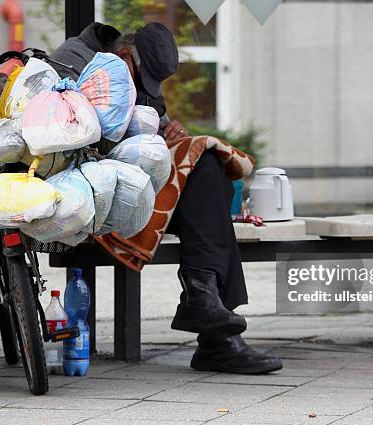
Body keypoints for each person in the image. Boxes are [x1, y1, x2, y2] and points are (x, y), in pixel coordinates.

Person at [52, 22, 282, 375]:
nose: (145, 92)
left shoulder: (135, 72)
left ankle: (204, 300)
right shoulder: (74, 59)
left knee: (206, 167)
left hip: (141, 183)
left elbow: (151, 129)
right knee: (209, 209)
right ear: (125, 55)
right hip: (90, 186)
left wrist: (171, 131)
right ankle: (214, 332)